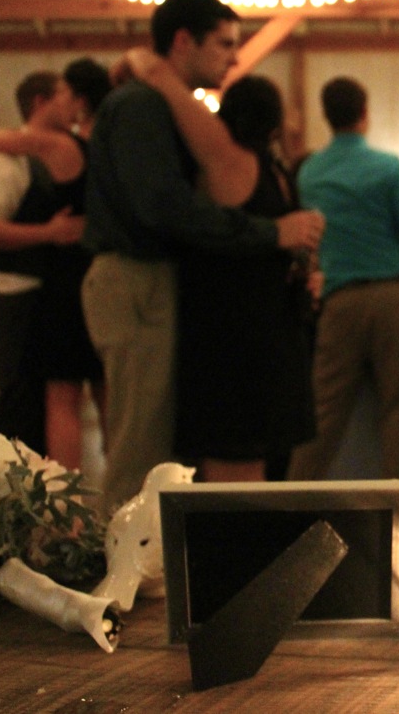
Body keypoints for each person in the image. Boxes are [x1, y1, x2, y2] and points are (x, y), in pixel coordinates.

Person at [83, 0, 324, 510]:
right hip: (135, 275)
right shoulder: (142, 106)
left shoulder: (159, 103)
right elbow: (163, 207)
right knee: (141, 448)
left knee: (155, 446)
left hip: (151, 278)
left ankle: (147, 555)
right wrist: (271, 233)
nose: (235, 59)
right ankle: (121, 559)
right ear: (182, 41)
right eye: (225, 44)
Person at [122, 60, 316, 482]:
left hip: (231, 333)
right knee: (262, 464)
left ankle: (234, 530)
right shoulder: (278, 171)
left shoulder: (228, 159)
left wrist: (136, 63)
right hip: (275, 330)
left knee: (232, 465)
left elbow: (159, 77)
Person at [287, 76, 399, 482]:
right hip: (392, 298)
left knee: (323, 418)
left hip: (338, 300)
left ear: (326, 116)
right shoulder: (386, 166)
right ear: (364, 113)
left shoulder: (311, 172)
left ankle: (292, 503)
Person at [0, 59, 111, 469]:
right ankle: (123, 489)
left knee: (62, 396)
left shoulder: (61, 145)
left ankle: (66, 495)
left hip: (65, 278)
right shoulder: (112, 144)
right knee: (107, 391)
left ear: (81, 100)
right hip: (100, 271)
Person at [0, 72, 85, 454]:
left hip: (49, 295)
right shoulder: (7, 163)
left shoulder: (61, 152)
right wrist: (49, 232)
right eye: (65, 94)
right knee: (19, 403)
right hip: (19, 294)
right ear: (40, 102)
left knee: (39, 406)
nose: (73, 103)